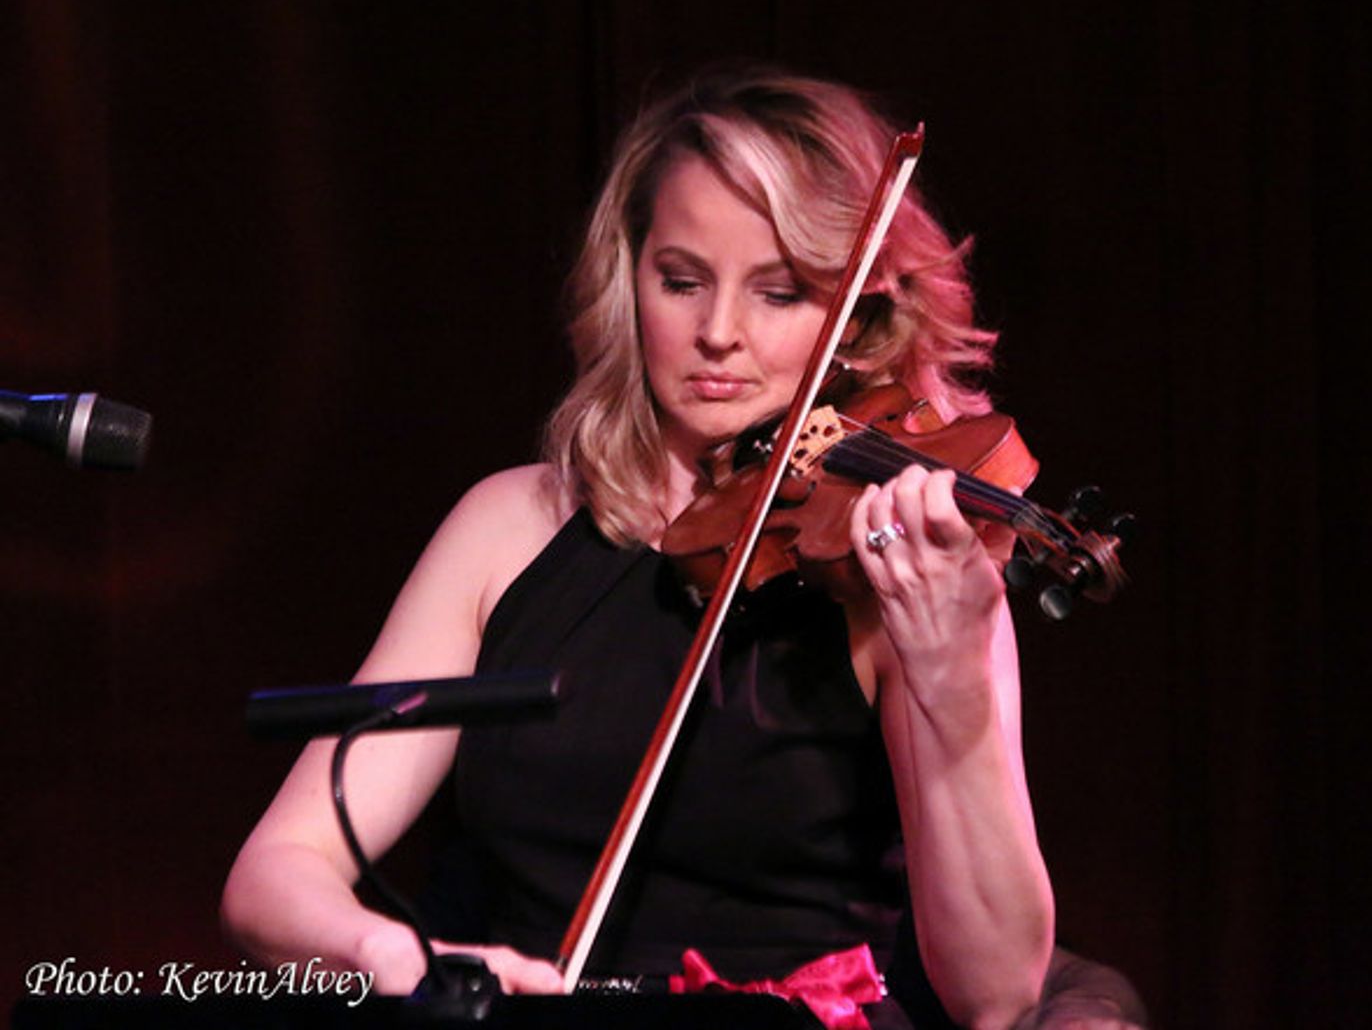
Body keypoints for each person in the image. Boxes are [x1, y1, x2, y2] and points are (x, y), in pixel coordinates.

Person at [224, 66, 1086, 1030]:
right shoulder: (508, 529)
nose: (718, 334)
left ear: (860, 322)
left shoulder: (904, 566)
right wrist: (396, 952)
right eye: (682, 281)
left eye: (781, 294)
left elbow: (997, 991)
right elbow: (274, 876)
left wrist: (953, 672)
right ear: (625, 276)